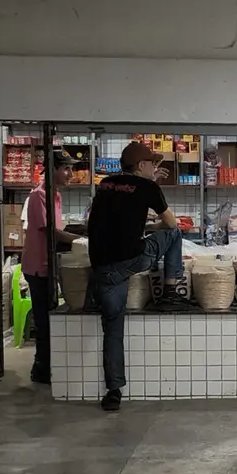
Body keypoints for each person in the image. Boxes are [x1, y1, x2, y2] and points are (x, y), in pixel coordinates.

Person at [88, 142, 186, 412]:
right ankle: (170, 290)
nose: (155, 168)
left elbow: (116, 216)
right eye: (152, 163)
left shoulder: (105, 184)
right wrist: (153, 187)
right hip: (132, 259)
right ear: (141, 165)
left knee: (113, 329)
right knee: (175, 235)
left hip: (102, 267)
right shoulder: (148, 188)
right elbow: (172, 224)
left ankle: (113, 392)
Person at [22, 151, 82, 385]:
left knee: (49, 315)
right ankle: (41, 370)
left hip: (49, 265)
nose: (70, 174)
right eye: (66, 168)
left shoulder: (54, 195)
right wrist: (79, 241)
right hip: (38, 266)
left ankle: (47, 366)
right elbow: (49, 232)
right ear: (53, 169)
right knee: (44, 319)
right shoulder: (38, 196)